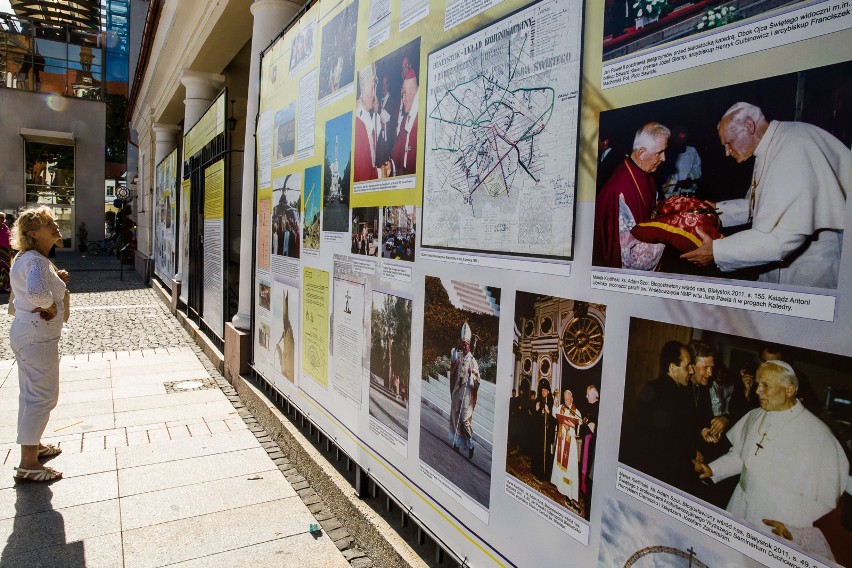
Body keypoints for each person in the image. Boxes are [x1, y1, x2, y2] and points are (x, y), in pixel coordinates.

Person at [682, 103, 850, 288]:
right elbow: (762, 204)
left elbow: (785, 238)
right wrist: (715, 210)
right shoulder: (773, 143)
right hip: (777, 263)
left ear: (749, 126)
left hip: (809, 268)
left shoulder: (793, 148)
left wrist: (718, 251)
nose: (727, 152)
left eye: (728, 142)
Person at [695, 361, 848, 559]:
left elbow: (826, 494)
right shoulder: (754, 416)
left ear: (789, 389)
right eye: (758, 384)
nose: (758, 391)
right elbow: (741, 455)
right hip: (741, 505)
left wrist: (796, 529)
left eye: (765, 385)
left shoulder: (818, 435)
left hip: (779, 522)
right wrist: (712, 469)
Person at [10, 206, 70, 483]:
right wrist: (51, 307)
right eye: (49, 224)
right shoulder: (34, 260)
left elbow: (31, 285)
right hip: (37, 336)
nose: (56, 226)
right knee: (42, 397)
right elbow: (35, 291)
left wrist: (59, 280)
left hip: (27, 333)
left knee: (29, 394)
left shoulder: (27, 257)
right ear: (34, 234)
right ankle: (28, 464)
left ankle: (33, 446)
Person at [622, 340, 710, 493]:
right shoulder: (671, 395)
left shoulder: (657, 387)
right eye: (688, 365)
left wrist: (691, 452)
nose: (691, 371)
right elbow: (663, 448)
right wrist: (691, 465)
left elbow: (675, 437)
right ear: (672, 367)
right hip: (656, 476)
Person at [593, 122, 670, 269]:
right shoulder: (619, 190)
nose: (664, 158)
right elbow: (631, 260)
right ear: (641, 152)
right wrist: (672, 235)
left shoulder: (647, 173)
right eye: (659, 153)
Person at [449, 322, 480, 459]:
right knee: (455, 415)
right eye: (463, 344)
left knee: (464, 419)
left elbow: (477, 380)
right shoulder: (459, 355)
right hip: (458, 388)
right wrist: (455, 350)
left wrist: (471, 374)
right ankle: (456, 443)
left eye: (466, 344)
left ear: (469, 345)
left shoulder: (473, 361)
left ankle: (470, 445)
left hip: (467, 391)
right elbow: (453, 361)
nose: (465, 346)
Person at [383, 65, 419, 177]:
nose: (403, 100)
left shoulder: (420, 115)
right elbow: (399, 145)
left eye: (405, 94)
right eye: (402, 94)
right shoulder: (406, 118)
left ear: (414, 90)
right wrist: (391, 165)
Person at [551, 390, 582, 506]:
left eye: (568, 398)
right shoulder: (561, 407)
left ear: (572, 398)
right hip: (561, 441)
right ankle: (559, 486)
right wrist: (555, 403)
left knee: (569, 467)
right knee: (559, 464)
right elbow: (554, 414)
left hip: (570, 443)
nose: (567, 400)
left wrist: (571, 426)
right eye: (565, 398)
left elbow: (580, 428)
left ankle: (569, 493)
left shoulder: (576, 412)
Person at [354, 64, 382, 182]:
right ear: (364, 89)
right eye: (372, 89)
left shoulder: (365, 114)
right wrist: (382, 172)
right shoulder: (358, 123)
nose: (374, 95)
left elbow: (375, 135)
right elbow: (364, 177)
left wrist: (376, 112)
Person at [660, 126, 701, 198]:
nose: (681, 144)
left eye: (683, 141)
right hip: (670, 196)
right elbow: (662, 178)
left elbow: (697, 169)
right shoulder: (665, 154)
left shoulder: (692, 151)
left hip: (688, 193)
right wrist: (675, 184)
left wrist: (689, 179)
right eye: (678, 141)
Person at [530, 378, 556, 481]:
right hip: (538, 432)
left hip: (546, 432)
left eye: (545, 391)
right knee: (537, 450)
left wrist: (548, 411)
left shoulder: (550, 401)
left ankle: (543, 474)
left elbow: (553, 419)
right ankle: (535, 470)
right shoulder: (539, 400)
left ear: (548, 392)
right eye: (542, 390)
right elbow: (534, 413)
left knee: (544, 452)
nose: (543, 392)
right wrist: (536, 408)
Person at [579, 385, 599, 494]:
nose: (586, 396)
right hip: (587, 441)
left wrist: (594, 428)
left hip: (593, 443)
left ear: (594, 396)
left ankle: (587, 488)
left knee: (589, 467)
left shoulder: (598, 408)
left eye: (588, 394)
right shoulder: (589, 407)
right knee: (585, 465)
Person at [0, 213, 11, 293]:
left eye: (2, 218)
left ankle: (5, 286)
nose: (1, 219)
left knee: (6, 268)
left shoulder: (6, 227)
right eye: (0, 218)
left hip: (6, 251)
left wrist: (11, 250)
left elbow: (9, 239)